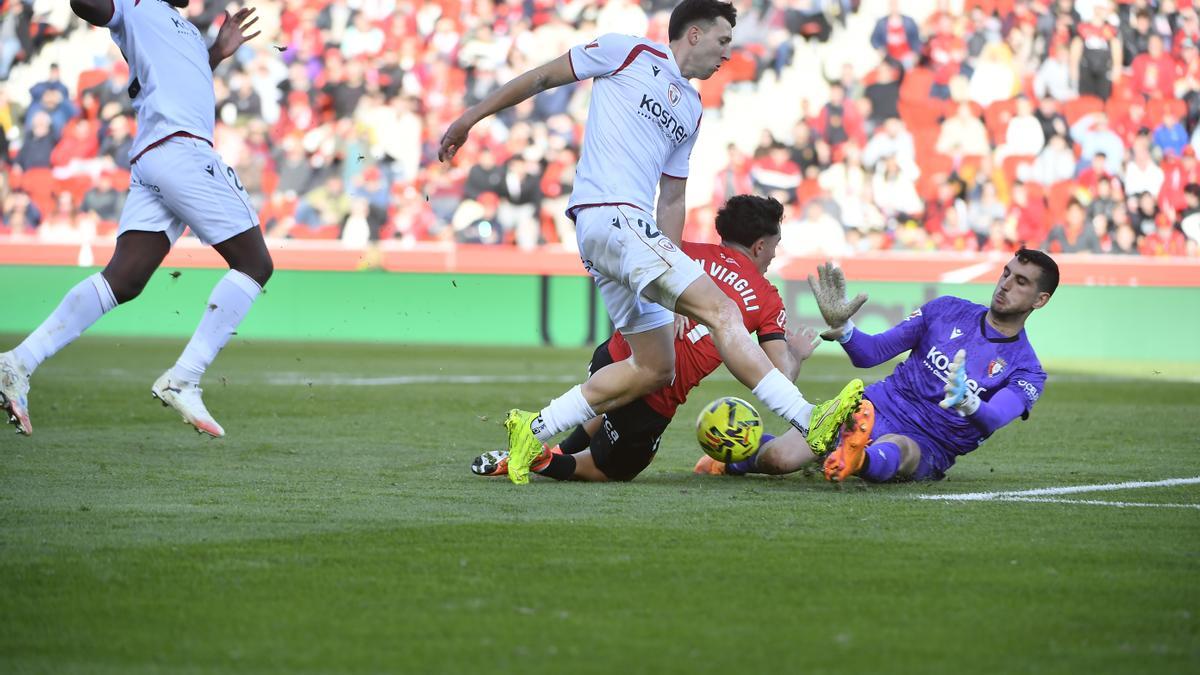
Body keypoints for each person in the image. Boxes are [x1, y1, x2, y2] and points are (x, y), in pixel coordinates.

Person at [438, 0, 862, 484]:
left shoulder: (693, 108)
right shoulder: (627, 52)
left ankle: (532, 432)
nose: (728, 53)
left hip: (621, 233)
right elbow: (541, 78)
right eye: (723, 40)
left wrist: (673, 280)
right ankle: (809, 418)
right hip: (613, 216)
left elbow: (673, 197)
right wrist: (470, 117)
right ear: (695, 34)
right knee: (723, 311)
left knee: (655, 367)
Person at [0, 0, 272, 437]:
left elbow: (179, 78)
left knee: (122, 280)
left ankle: (17, 363)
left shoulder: (183, 27)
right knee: (255, 263)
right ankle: (184, 378)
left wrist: (217, 53)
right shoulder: (135, 4)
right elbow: (86, 5)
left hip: (155, 156)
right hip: (181, 149)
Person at [468, 195, 858, 482]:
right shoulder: (767, 297)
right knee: (608, 469)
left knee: (606, 400)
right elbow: (780, 377)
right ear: (760, 245)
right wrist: (797, 353)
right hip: (654, 396)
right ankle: (541, 459)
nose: (774, 253)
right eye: (774, 244)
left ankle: (539, 445)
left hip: (614, 356)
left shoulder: (683, 250)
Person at [696, 250, 1057, 484]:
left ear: (1040, 300)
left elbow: (994, 418)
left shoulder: (1027, 370)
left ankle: (855, 458)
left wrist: (969, 403)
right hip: (874, 405)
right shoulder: (946, 309)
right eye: (1006, 273)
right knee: (779, 459)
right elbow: (870, 354)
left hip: (930, 440)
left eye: (1020, 281)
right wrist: (845, 328)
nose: (1005, 285)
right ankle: (734, 458)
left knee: (901, 450)